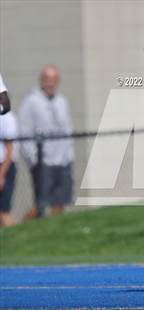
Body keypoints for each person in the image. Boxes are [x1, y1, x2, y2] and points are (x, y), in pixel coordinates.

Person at [19, 65, 74, 219]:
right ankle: (23, 227)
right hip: (43, 161)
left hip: (62, 161)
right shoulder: (31, 102)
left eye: (53, 80)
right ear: (41, 81)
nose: (50, 84)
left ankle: (55, 233)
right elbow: (24, 131)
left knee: (61, 202)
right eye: (47, 80)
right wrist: (33, 159)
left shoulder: (62, 101)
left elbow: (67, 129)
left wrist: (69, 156)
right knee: (41, 205)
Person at [0, 74, 18, 226]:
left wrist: (1, 175)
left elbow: (9, 148)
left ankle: (18, 246)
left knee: (3, 212)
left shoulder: (6, 117)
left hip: (3, 166)